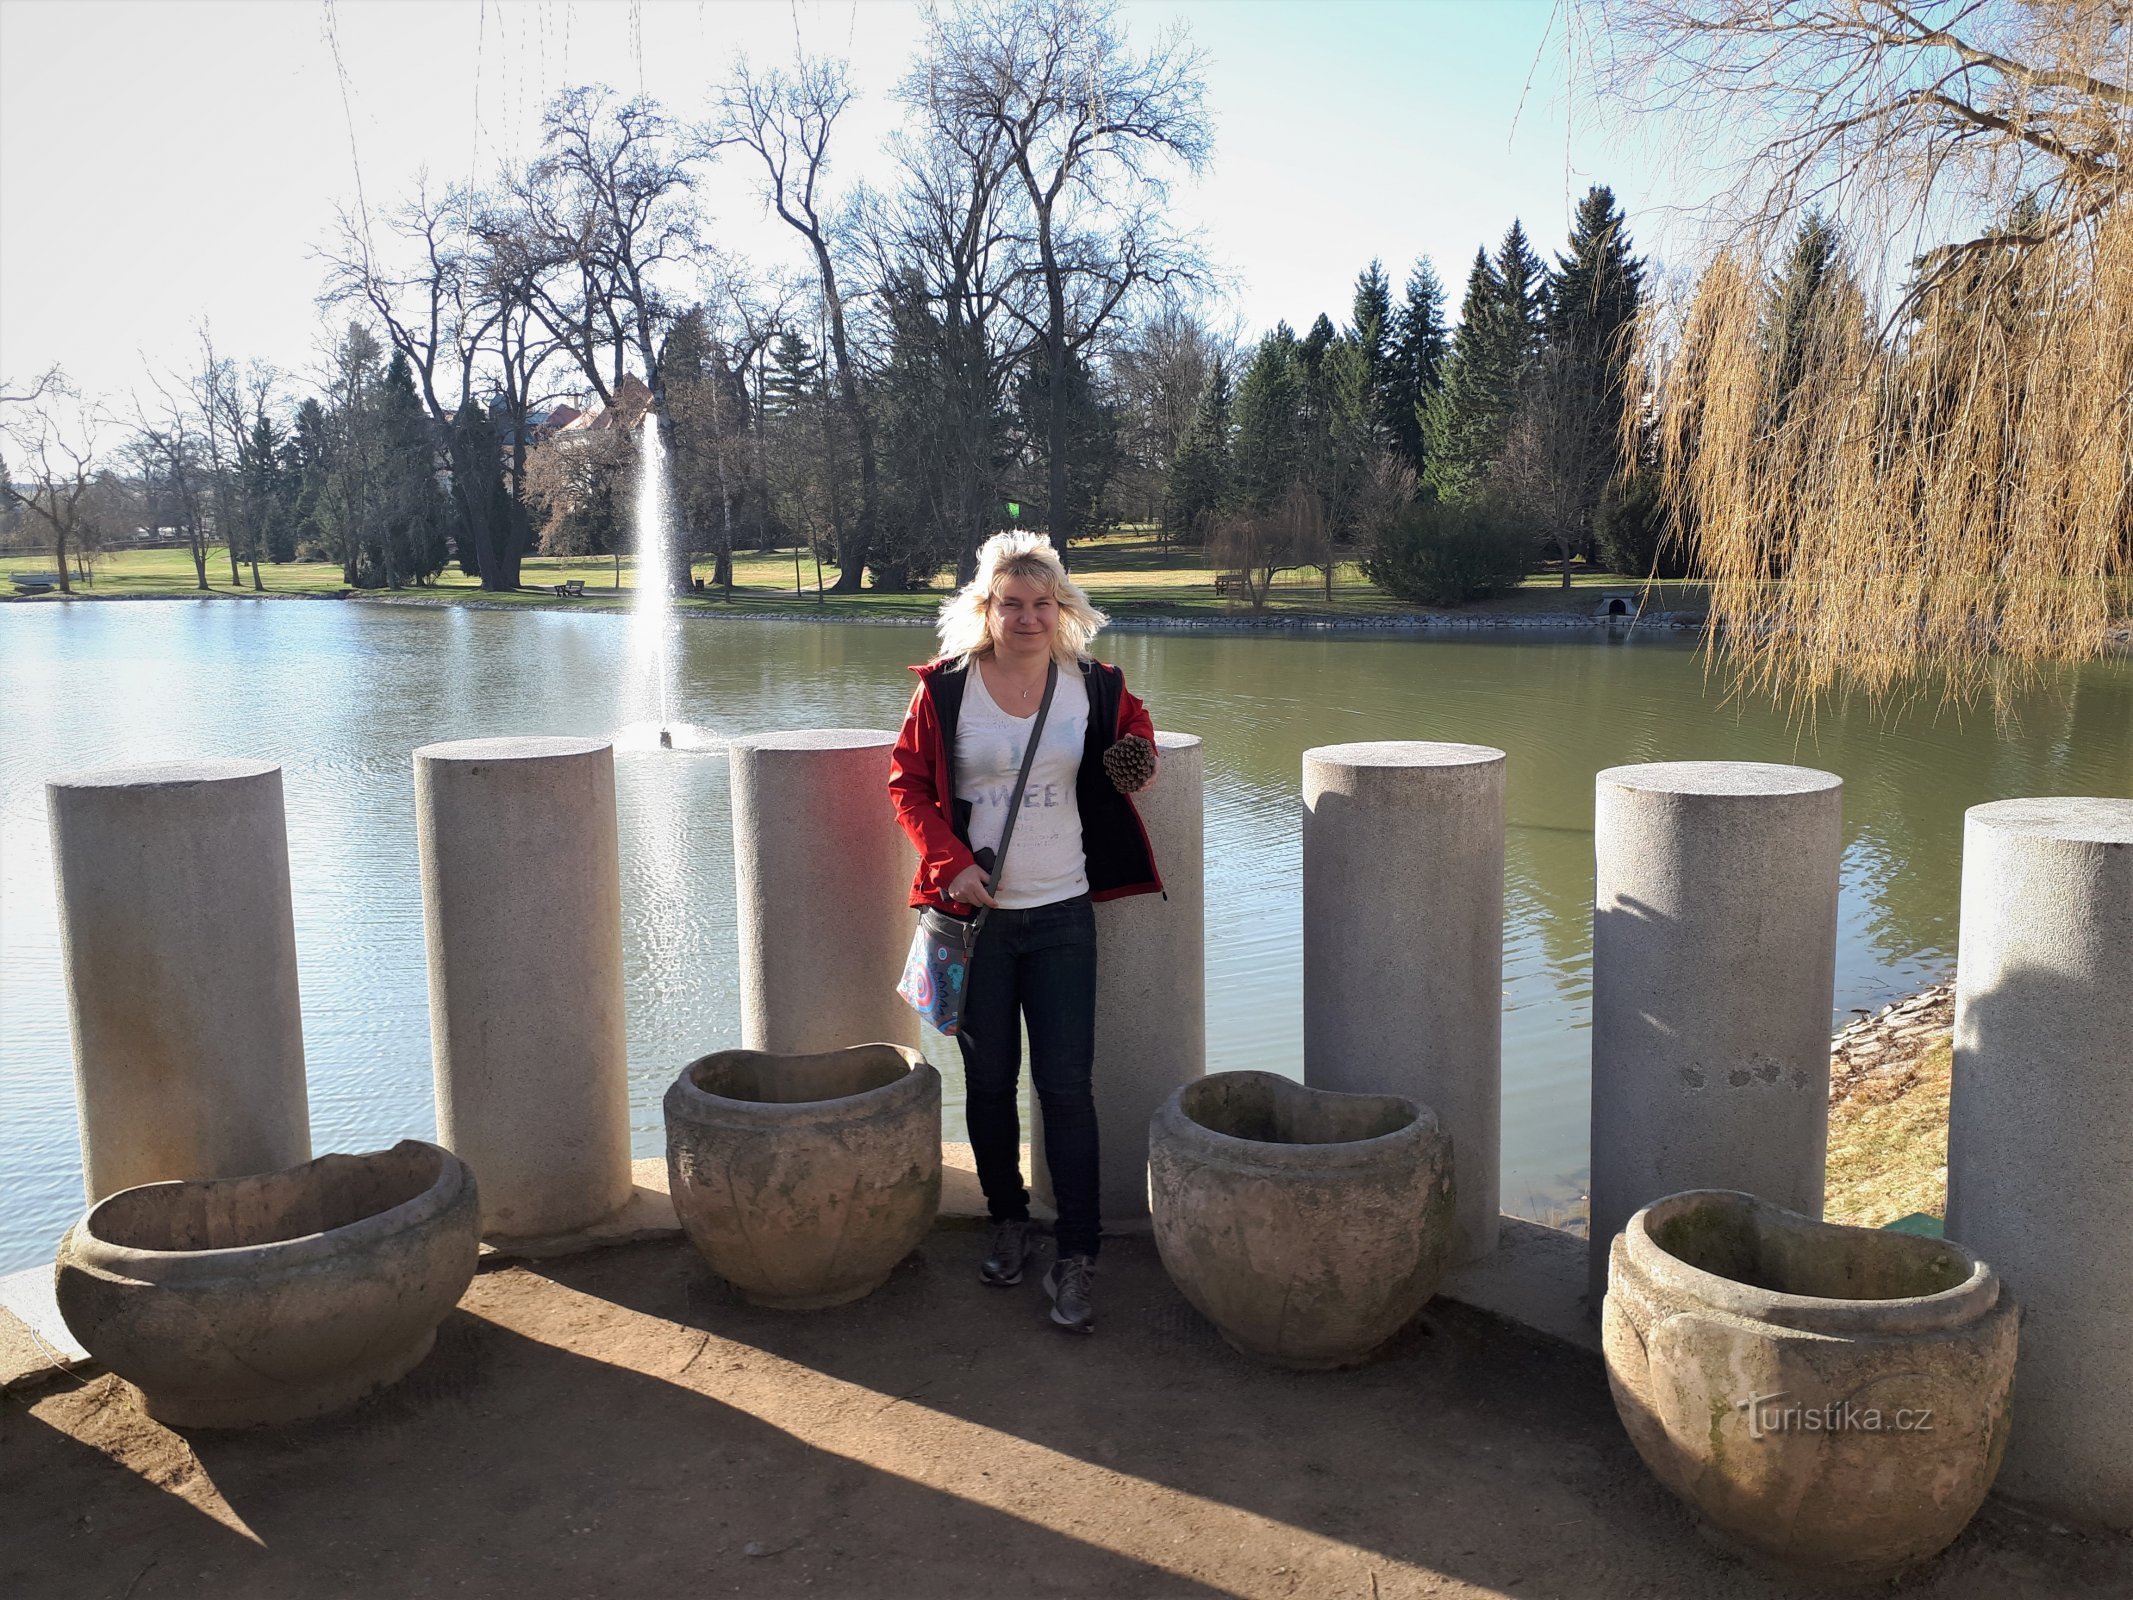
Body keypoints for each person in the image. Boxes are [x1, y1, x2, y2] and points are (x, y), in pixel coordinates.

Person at [888, 531, 1162, 1335]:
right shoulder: (943, 689)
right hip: (975, 919)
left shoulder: (1095, 685)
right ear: (985, 607)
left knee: (1066, 1089)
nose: (1028, 616)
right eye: (1011, 603)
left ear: (1063, 609)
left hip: (1064, 912)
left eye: (1043, 603)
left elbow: (1137, 741)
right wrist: (948, 864)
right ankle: (1007, 1220)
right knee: (988, 1082)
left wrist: (1135, 761)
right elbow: (907, 784)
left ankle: (1077, 1252)